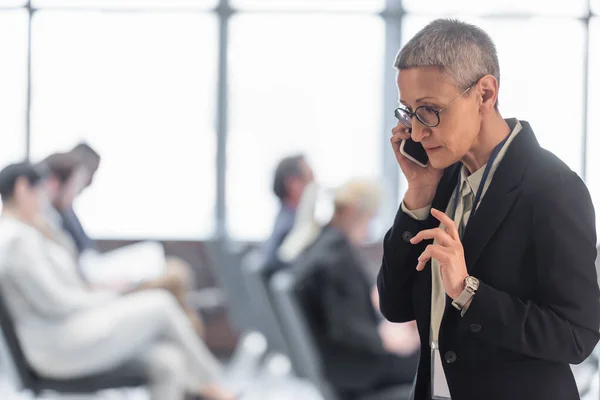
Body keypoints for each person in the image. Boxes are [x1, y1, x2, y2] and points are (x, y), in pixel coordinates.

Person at [376, 19, 600, 400]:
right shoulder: (441, 179)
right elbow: (395, 305)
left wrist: (467, 292)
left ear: (484, 94)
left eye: (429, 111)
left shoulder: (553, 188)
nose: (415, 133)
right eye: (408, 112)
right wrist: (418, 193)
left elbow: (576, 336)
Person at [0, 162, 235, 400]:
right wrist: (109, 298)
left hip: (69, 332)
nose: (43, 200)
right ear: (22, 189)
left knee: (168, 361)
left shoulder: (27, 231)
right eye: (40, 191)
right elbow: (55, 302)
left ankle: (209, 387)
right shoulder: (18, 240)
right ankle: (214, 388)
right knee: (161, 303)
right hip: (59, 344)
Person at [39, 152, 206, 338]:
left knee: (177, 274)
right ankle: (191, 344)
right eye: (75, 185)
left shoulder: (64, 214)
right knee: (176, 279)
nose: (78, 190)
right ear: (55, 184)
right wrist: (104, 286)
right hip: (96, 287)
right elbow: (74, 279)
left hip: (97, 275)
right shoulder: (47, 226)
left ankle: (188, 345)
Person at [293, 179, 419, 399]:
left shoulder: (323, 246)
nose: (368, 227)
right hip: (357, 372)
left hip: (341, 364)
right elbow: (345, 327)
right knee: (435, 365)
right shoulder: (336, 258)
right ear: (353, 212)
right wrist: (386, 341)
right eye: (369, 218)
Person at [263, 154, 314, 271]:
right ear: (292, 184)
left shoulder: (285, 221)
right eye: (310, 179)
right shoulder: (291, 229)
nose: (315, 186)